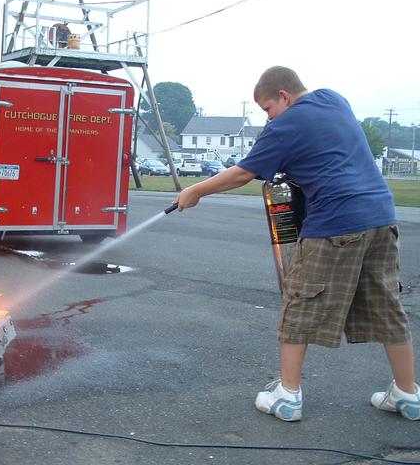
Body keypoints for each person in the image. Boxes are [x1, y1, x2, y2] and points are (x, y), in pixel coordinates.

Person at [175, 66, 419, 422]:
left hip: (335, 222)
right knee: (386, 304)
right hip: (382, 216)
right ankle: (408, 393)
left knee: (299, 301)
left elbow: (243, 173)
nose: (268, 118)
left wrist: (195, 190)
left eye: (267, 109)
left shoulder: (282, 127)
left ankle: (287, 396)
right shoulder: (334, 99)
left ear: (284, 97)